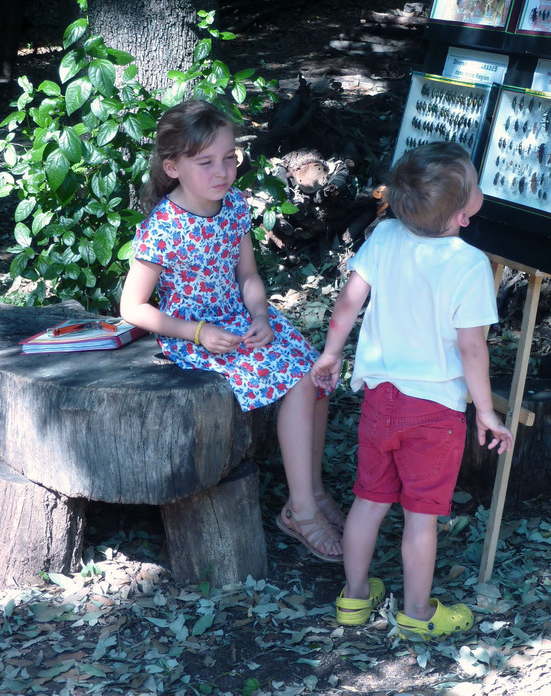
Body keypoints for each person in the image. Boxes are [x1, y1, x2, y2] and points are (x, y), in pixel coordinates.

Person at [120, 99, 344, 563]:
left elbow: (247, 276)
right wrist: (197, 332)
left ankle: (315, 490)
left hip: (242, 320)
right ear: (173, 167)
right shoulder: (163, 226)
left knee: (315, 373)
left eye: (228, 158)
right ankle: (300, 512)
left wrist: (261, 314)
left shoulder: (234, 205)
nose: (222, 171)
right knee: (298, 378)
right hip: (196, 335)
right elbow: (132, 307)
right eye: (206, 163)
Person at [311, 140, 514, 639]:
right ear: (463, 214)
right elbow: (472, 349)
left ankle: (354, 600)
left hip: (381, 400)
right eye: (476, 183)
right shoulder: (469, 264)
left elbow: (347, 303)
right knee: (421, 518)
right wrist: (485, 411)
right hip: (436, 411)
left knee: (369, 501)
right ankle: (418, 614)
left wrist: (332, 353)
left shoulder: (384, 237)